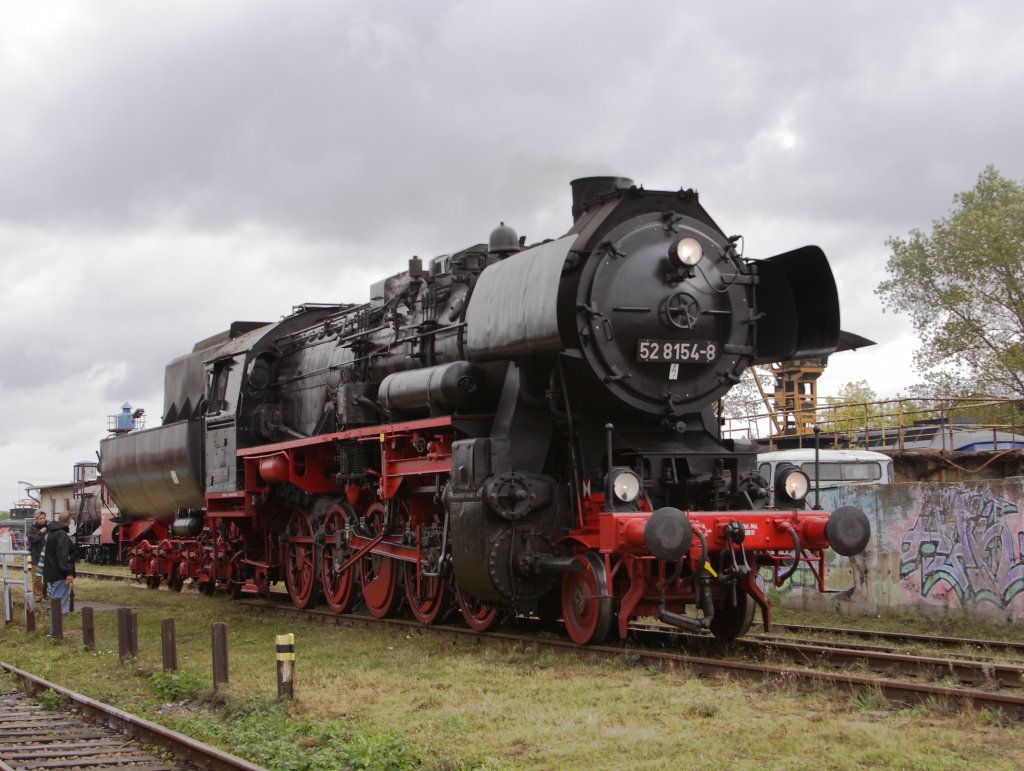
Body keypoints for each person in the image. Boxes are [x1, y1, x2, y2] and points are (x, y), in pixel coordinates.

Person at [43, 511, 75, 636]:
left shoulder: (51, 532)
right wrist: (68, 572)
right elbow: (62, 556)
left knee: (56, 604)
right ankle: (55, 633)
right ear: (68, 521)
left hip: (50, 573)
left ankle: (56, 631)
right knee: (60, 606)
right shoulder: (61, 534)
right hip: (59, 574)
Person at [27, 512, 47, 604]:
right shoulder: (32, 529)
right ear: (36, 519)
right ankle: (37, 596)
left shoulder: (49, 527)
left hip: (47, 555)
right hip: (36, 556)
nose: (43, 520)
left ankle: (45, 593)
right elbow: (33, 539)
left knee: (47, 577)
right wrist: (40, 533)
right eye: (40, 518)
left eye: (44, 518)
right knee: (36, 577)